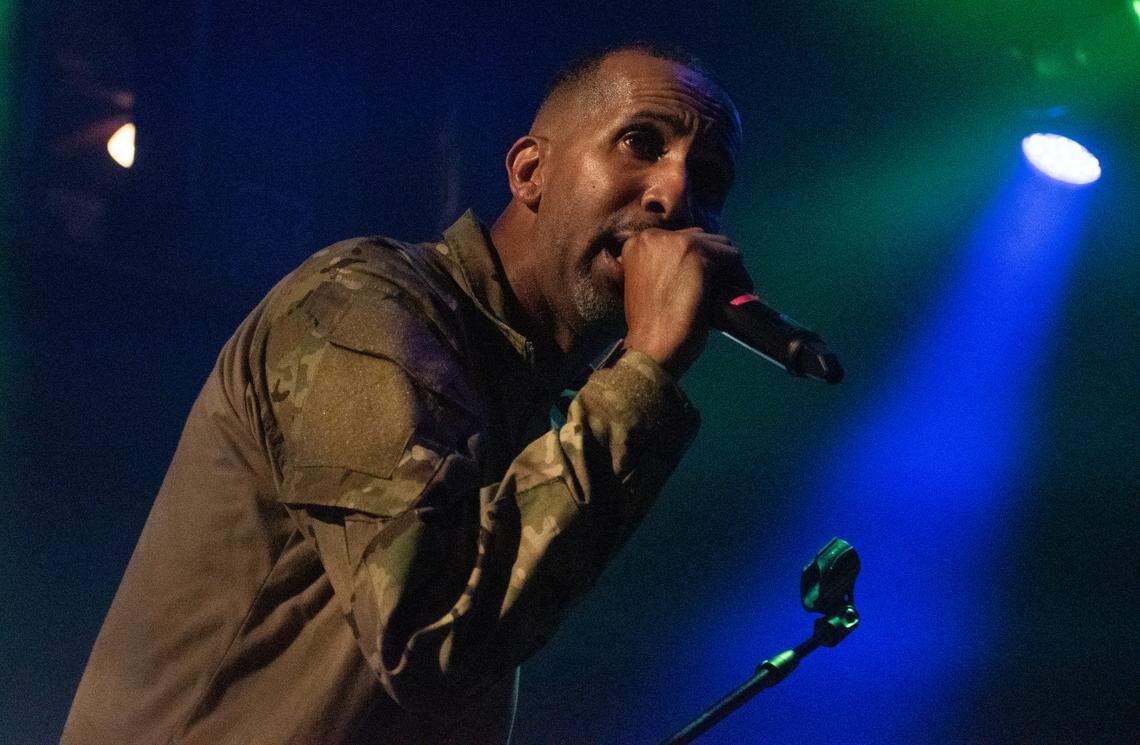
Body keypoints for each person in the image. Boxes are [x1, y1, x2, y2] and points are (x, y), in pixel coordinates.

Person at [62, 43, 748, 743]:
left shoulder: (541, 406)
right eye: (642, 143)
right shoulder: (364, 305)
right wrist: (646, 372)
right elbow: (429, 631)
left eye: (710, 180)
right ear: (530, 171)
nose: (675, 197)